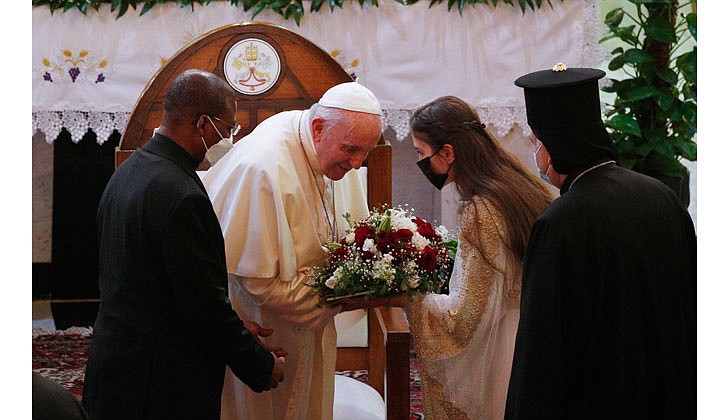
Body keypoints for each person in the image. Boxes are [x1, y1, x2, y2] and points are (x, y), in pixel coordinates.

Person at [82, 69, 285, 420]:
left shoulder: (127, 173)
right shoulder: (181, 194)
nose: (229, 139)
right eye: (228, 128)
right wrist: (260, 365)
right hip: (161, 384)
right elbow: (203, 305)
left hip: (116, 365)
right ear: (203, 124)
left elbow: (152, 285)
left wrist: (235, 327)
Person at [505, 65, 697, 419]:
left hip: (601, 397)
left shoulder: (560, 222)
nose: (536, 152)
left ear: (553, 144)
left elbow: (542, 349)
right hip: (666, 390)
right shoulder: (660, 195)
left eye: (536, 142)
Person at [201, 81, 383, 420]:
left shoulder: (318, 142)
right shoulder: (264, 168)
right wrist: (336, 301)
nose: (357, 164)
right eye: (351, 150)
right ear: (318, 128)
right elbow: (256, 281)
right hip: (264, 326)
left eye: (366, 154)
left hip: (305, 321)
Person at [390, 95, 552, 419]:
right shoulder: (517, 185)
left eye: (422, 154)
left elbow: (465, 319)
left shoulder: (481, 209)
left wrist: (412, 299)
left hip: (503, 350)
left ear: (447, 152)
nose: (420, 163)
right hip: (534, 332)